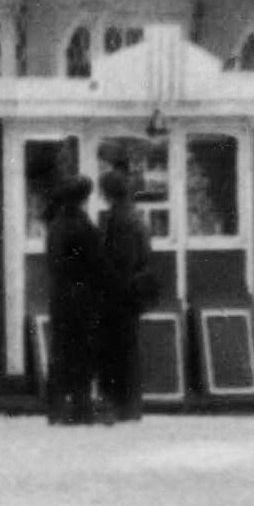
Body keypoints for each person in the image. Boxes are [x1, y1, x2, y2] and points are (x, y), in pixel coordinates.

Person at [94, 168, 161, 424]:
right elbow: (142, 256)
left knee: (114, 354)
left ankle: (118, 408)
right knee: (127, 352)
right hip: (131, 295)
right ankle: (129, 407)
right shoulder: (135, 218)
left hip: (117, 297)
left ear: (108, 193)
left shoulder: (118, 220)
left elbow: (120, 261)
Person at [38, 175, 103, 427]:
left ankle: (55, 408)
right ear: (84, 199)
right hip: (82, 297)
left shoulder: (56, 226)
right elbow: (95, 264)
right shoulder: (83, 227)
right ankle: (81, 407)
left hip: (60, 296)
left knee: (60, 351)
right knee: (82, 353)